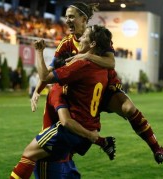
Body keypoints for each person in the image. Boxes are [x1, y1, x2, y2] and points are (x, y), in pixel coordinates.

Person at [31, 2, 163, 166]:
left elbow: (110, 62)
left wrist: (86, 56)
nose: (67, 20)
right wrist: (37, 90)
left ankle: (157, 149)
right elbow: (49, 71)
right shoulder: (65, 43)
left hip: (105, 87)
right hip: (81, 96)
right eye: (66, 17)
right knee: (71, 134)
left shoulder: (97, 36)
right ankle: (93, 148)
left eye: (71, 16)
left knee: (129, 109)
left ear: (83, 19)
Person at [10, 25, 114, 179]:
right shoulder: (103, 69)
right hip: (90, 127)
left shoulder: (80, 66)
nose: (80, 39)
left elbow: (45, 76)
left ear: (92, 44)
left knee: (29, 154)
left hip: (73, 128)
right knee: (63, 162)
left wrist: (39, 51)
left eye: (85, 36)